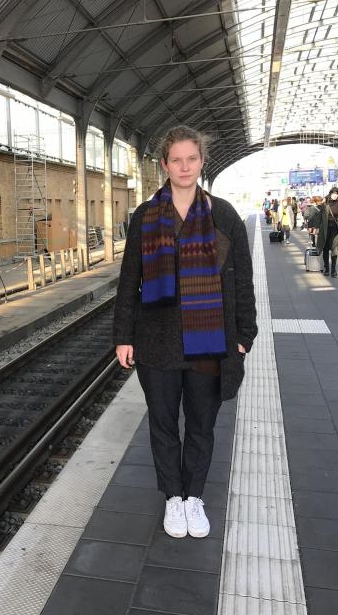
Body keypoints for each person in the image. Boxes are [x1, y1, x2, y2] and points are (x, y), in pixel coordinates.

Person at [113, 125, 257, 539]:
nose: (184, 166)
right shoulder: (145, 216)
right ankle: (173, 498)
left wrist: (244, 334)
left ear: (201, 161)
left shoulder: (223, 214)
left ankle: (194, 496)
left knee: (200, 424)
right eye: (176, 159)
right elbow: (129, 281)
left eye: (191, 158)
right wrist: (124, 335)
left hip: (209, 340)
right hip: (156, 339)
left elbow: (242, 280)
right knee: (162, 423)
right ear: (164, 164)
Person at [310, 187, 338, 277]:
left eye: (336, 193)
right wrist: (316, 227)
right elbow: (319, 216)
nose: (334, 194)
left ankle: (333, 269)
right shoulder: (325, 204)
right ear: (330, 194)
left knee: (334, 249)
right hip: (325, 230)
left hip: (336, 230)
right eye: (333, 193)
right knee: (325, 248)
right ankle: (326, 268)